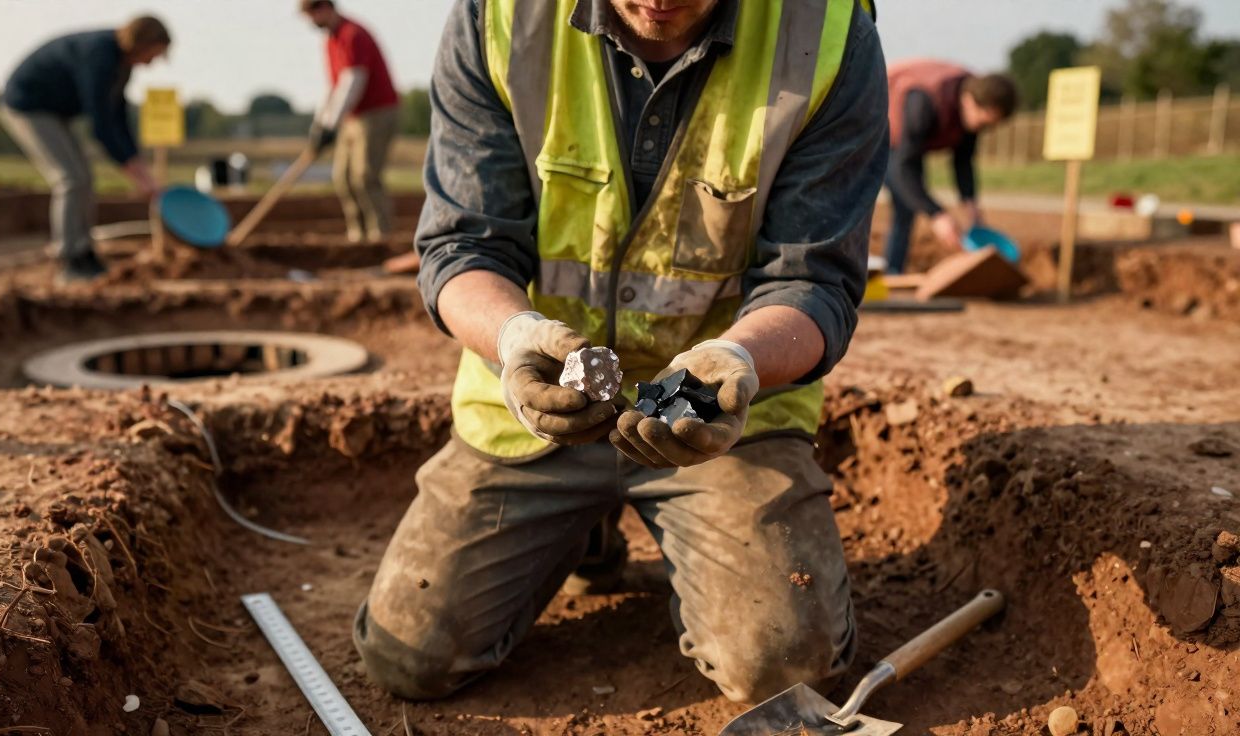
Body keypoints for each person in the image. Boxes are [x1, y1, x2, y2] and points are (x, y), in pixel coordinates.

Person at [355, 0, 888, 706]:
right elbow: (463, 246)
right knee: (409, 656)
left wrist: (737, 362)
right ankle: (581, 530)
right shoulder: (502, 18)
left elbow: (814, 280)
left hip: (717, 415)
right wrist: (515, 339)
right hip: (536, 405)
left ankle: (647, 517)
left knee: (779, 662)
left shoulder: (821, 31)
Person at [0, 16, 169, 283]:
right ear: (141, 43)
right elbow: (101, 124)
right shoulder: (99, 54)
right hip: (28, 107)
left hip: (55, 112)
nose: (151, 62)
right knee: (71, 178)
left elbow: (118, 117)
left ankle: (85, 252)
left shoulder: (121, 64)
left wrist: (137, 163)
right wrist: (135, 173)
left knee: (85, 178)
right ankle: (68, 259)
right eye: (152, 54)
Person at [881, 60, 1017, 274]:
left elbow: (963, 160)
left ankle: (892, 272)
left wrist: (970, 205)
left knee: (909, 202)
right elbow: (904, 168)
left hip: (908, 146)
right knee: (902, 203)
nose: (983, 130)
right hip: (878, 131)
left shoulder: (972, 106)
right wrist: (938, 215)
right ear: (969, 101)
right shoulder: (925, 102)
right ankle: (883, 273)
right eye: (983, 124)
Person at [301, 0, 400, 243]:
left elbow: (353, 82)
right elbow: (333, 86)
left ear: (324, 8)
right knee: (343, 177)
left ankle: (380, 237)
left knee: (365, 176)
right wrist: (321, 123)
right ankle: (358, 236)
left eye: (310, 15)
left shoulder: (352, 34)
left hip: (377, 113)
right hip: (352, 117)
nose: (310, 21)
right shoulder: (331, 41)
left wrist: (331, 123)